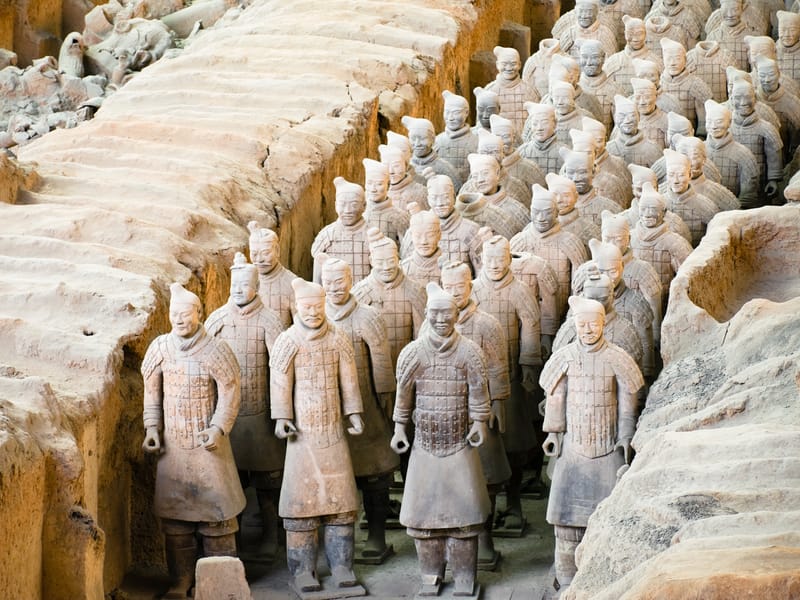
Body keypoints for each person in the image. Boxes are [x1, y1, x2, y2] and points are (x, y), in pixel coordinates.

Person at [141, 283, 244, 599]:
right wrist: (152, 429)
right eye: (174, 314)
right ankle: (182, 580)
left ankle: (219, 580)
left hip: (208, 447)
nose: (180, 320)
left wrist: (218, 428)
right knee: (176, 524)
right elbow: (151, 394)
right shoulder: (160, 348)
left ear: (199, 314)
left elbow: (230, 390)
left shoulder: (215, 349)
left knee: (218, 520)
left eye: (186, 314)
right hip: (174, 448)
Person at [392, 282, 492, 597]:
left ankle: (464, 576)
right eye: (435, 313)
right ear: (426, 313)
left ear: (456, 314)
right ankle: (430, 574)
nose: (441, 319)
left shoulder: (469, 352)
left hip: (459, 444)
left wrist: (480, 422)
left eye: (447, 313)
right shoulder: (413, 353)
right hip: (424, 444)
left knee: (465, 517)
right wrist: (399, 429)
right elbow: (403, 397)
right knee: (424, 520)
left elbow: (478, 391)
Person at [540, 296, 643, 591]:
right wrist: (553, 433)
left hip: (608, 447)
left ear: (604, 324)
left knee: (609, 521)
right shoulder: (565, 357)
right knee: (564, 524)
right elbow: (556, 398)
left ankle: (603, 581)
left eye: (593, 324)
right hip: (573, 449)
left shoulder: (617, 358)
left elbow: (627, 405)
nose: (587, 330)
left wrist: (625, 437)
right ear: (574, 324)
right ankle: (569, 583)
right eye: (582, 324)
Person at [270, 278, 364, 593]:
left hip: (333, 431)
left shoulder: (338, 338)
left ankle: (341, 568)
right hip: (303, 435)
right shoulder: (288, 341)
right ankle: (303, 572)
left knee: (341, 504)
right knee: (300, 508)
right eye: (307, 307)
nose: (312, 312)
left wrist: (353, 412)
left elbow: (349, 380)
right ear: (297, 307)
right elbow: (280, 381)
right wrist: (282, 416)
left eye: (317, 307)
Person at [205, 253, 285, 562]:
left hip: (261, 412)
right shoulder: (217, 320)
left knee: (267, 481)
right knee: (230, 478)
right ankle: (233, 537)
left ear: (257, 287)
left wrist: (280, 413)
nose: (239, 290)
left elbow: (280, 370)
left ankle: (270, 535)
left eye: (246, 285)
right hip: (228, 416)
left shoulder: (270, 321)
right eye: (235, 284)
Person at [320, 256, 399, 564]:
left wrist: (385, 401)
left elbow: (381, 364)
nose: (334, 287)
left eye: (339, 281)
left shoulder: (367, 317)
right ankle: (339, 541)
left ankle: (376, 536)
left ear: (351, 280)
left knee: (374, 476)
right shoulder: (315, 315)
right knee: (334, 476)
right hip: (328, 411)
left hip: (366, 408)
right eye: (328, 282)